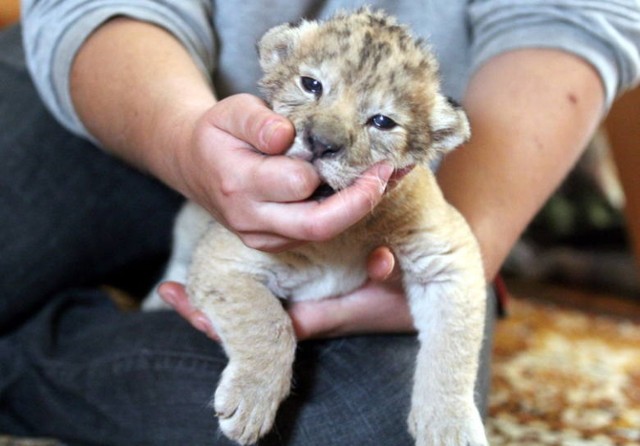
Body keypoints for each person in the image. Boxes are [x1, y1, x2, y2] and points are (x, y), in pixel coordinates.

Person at [1, 1, 638, 445]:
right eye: (310, 86)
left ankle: (23, 366)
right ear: (280, 57)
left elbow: (577, 16)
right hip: (116, 73)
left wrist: (476, 237)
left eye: (382, 122)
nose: (327, 132)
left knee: (376, 427)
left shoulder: (420, 170)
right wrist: (180, 141)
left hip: (395, 194)